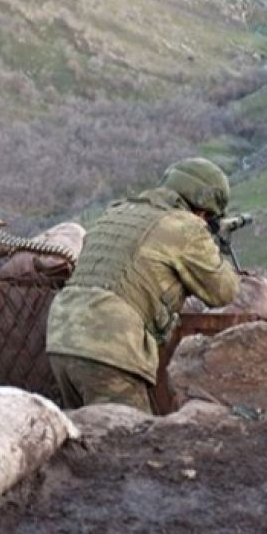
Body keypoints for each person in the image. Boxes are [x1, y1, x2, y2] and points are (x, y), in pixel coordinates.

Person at [45, 157, 240, 412]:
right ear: (203, 211)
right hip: (109, 345)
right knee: (128, 441)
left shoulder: (118, 211)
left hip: (62, 336)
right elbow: (224, 291)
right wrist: (214, 246)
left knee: (89, 443)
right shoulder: (186, 226)